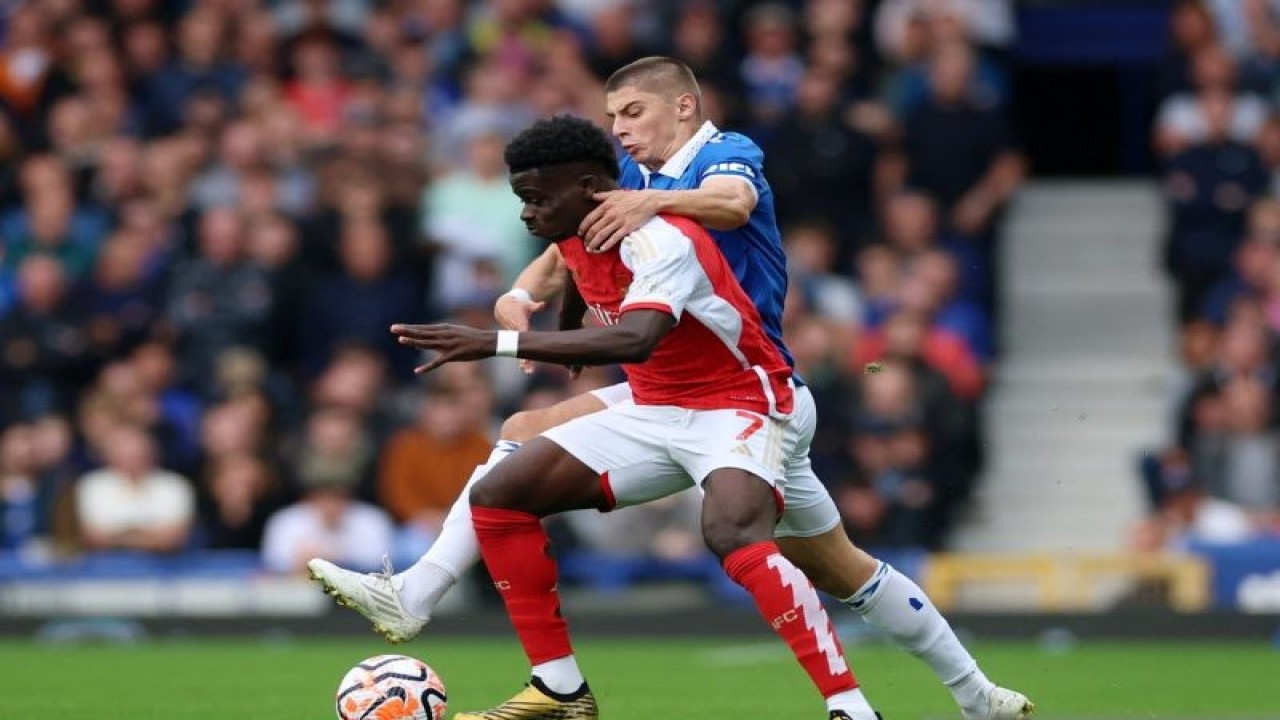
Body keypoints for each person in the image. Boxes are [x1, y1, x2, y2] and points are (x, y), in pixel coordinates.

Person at [309, 57, 1032, 720]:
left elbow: (731, 204)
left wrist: (646, 208)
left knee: (755, 540)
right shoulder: (630, 184)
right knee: (527, 441)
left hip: (750, 388)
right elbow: (569, 240)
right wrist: (523, 290)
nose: (620, 130)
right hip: (670, 390)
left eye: (631, 113)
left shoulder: (721, 158)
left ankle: (870, 705)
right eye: (614, 117)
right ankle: (445, 610)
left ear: (683, 107)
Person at [395, 114, 874, 720]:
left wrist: (496, 343)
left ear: (590, 186)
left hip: (738, 399)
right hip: (660, 403)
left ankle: (853, 709)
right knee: (500, 493)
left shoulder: (663, 236)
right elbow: (576, 277)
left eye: (536, 198)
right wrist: (550, 321)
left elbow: (635, 338)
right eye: (523, 200)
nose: (524, 213)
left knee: (736, 536)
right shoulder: (583, 233)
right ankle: (559, 690)